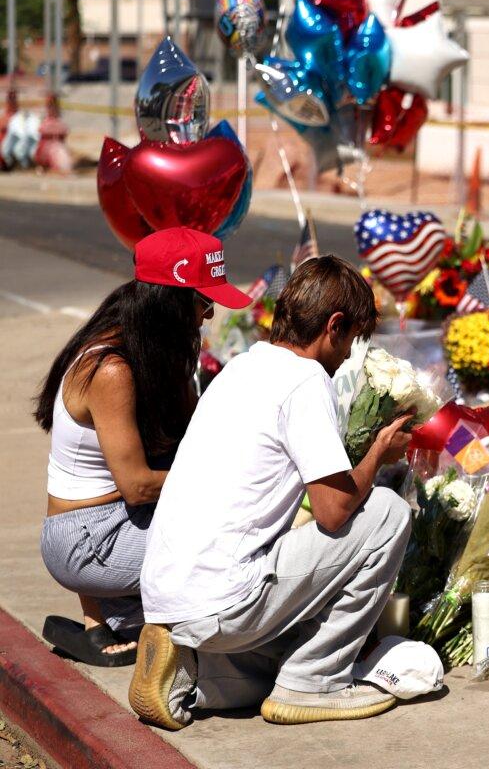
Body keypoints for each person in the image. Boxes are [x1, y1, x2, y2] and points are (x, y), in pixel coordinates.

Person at [129, 256, 414, 730]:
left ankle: (196, 677)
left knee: (273, 663)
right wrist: (379, 453)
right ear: (333, 326)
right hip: (225, 600)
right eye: (351, 340)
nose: (348, 355)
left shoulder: (242, 366)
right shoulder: (305, 380)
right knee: (385, 511)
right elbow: (334, 510)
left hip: (171, 597)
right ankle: (313, 683)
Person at [36, 227, 252, 666]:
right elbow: (136, 485)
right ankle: (126, 610)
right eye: (202, 301)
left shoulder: (149, 349)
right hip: (86, 540)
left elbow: (188, 441)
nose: (208, 315)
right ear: (168, 302)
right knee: (236, 537)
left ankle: (116, 614)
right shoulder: (111, 369)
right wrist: (233, 482)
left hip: (118, 520)